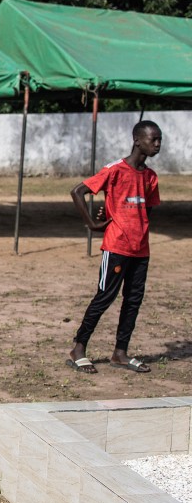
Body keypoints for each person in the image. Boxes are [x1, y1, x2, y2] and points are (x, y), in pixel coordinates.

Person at [66, 120, 162, 375]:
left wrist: (123, 216)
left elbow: (146, 212)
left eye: (159, 140)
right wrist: (93, 223)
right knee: (105, 297)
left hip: (141, 249)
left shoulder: (151, 177)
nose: (157, 144)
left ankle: (120, 353)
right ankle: (78, 349)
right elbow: (78, 191)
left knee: (133, 300)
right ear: (137, 140)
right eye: (153, 140)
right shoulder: (115, 170)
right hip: (117, 246)